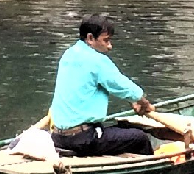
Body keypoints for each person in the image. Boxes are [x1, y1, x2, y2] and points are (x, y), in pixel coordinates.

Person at [49, 16, 157, 156]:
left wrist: (133, 100)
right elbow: (125, 87)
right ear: (90, 38)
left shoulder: (68, 54)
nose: (110, 46)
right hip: (82, 139)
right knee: (140, 138)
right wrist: (144, 103)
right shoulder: (96, 60)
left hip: (58, 137)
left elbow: (119, 88)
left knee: (124, 129)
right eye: (105, 40)